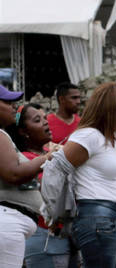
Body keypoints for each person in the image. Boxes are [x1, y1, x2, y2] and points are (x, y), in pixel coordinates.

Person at [65, 82, 116, 268]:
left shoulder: (108, 139)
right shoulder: (89, 136)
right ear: (111, 109)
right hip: (98, 218)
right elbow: (58, 168)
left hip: (110, 219)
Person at [7, 103, 71, 268]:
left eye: (44, 117)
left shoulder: (47, 153)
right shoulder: (25, 160)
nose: (45, 122)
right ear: (23, 131)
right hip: (45, 236)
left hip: (62, 237)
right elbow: (47, 189)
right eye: (37, 120)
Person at [0, 87, 54, 268]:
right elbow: (13, 174)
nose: (13, 106)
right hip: (7, 223)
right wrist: (47, 158)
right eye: (7, 102)